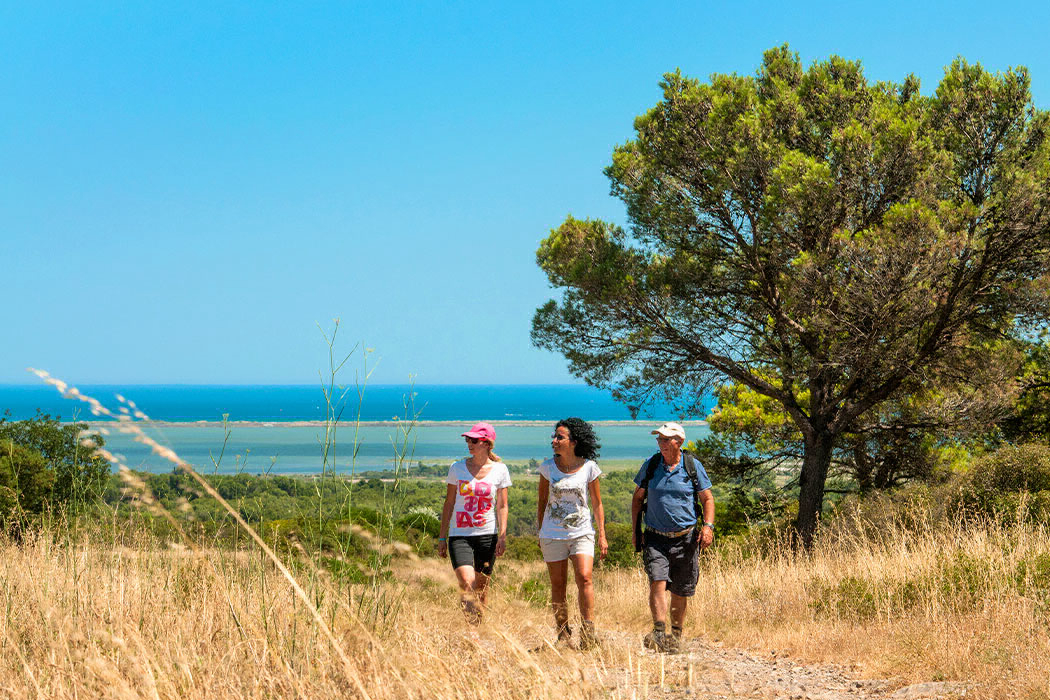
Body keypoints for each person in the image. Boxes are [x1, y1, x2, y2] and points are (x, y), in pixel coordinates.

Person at [631, 422, 715, 653]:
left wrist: (707, 527)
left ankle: (675, 636)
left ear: (679, 442)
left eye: (666, 439)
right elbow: (637, 498)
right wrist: (635, 531)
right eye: (659, 439)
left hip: (686, 539)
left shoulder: (691, 466)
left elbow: (707, 499)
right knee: (657, 582)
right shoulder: (651, 465)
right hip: (655, 538)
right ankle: (659, 632)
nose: (661, 444)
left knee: (680, 589)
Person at [536, 417, 608, 649]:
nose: (554, 440)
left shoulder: (589, 467)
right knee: (558, 585)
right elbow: (542, 502)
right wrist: (540, 532)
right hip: (553, 534)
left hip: (582, 532)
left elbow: (597, 503)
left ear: (573, 441)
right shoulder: (547, 467)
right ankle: (563, 634)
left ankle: (588, 632)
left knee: (585, 578)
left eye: (560, 437)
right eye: (554, 436)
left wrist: (602, 534)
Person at [437, 422, 511, 621]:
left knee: (481, 590)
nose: (469, 443)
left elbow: (502, 505)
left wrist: (502, 536)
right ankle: (472, 634)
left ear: (487, 443)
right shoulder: (457, 468)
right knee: (467, 582)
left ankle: (478, 630)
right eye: (468, 439)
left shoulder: (500, 470)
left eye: (474, 440)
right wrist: (442, 537)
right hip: (459, 536)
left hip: (487, 536)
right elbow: (449, 503)